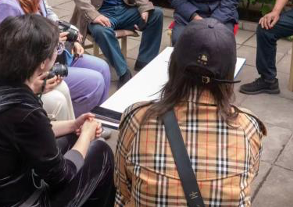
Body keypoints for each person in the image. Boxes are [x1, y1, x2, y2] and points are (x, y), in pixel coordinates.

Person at [0, 14, 115, 207]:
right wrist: (86, 134)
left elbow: (22, 131)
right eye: (56, 50)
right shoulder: (22, 108)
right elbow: (62, 176)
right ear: (43, 62)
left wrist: (73, 125)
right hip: (11, 202)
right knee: (101, 151)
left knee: (71, 138)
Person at [114, 18, 266, 206]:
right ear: (228, 74)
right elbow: (249, 178)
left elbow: (123, 186)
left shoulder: (137, 119)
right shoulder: (248, 127)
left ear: (173, 65)